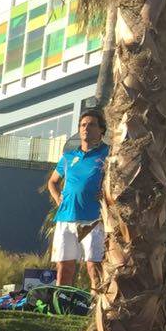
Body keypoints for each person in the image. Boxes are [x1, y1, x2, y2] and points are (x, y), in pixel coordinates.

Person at [47, 108, 110, 292]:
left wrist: (106, 194)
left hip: (94, 219)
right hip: (66, 217)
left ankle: (96, 304)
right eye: (83, 125)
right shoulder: (69, 157)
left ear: (101, 129)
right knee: (64, 268)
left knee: (94, 267)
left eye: (91, 125)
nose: (86, 128)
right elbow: (52, 182)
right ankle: (61, 303)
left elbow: (117, 181)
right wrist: (58, 198)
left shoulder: (108, 153)